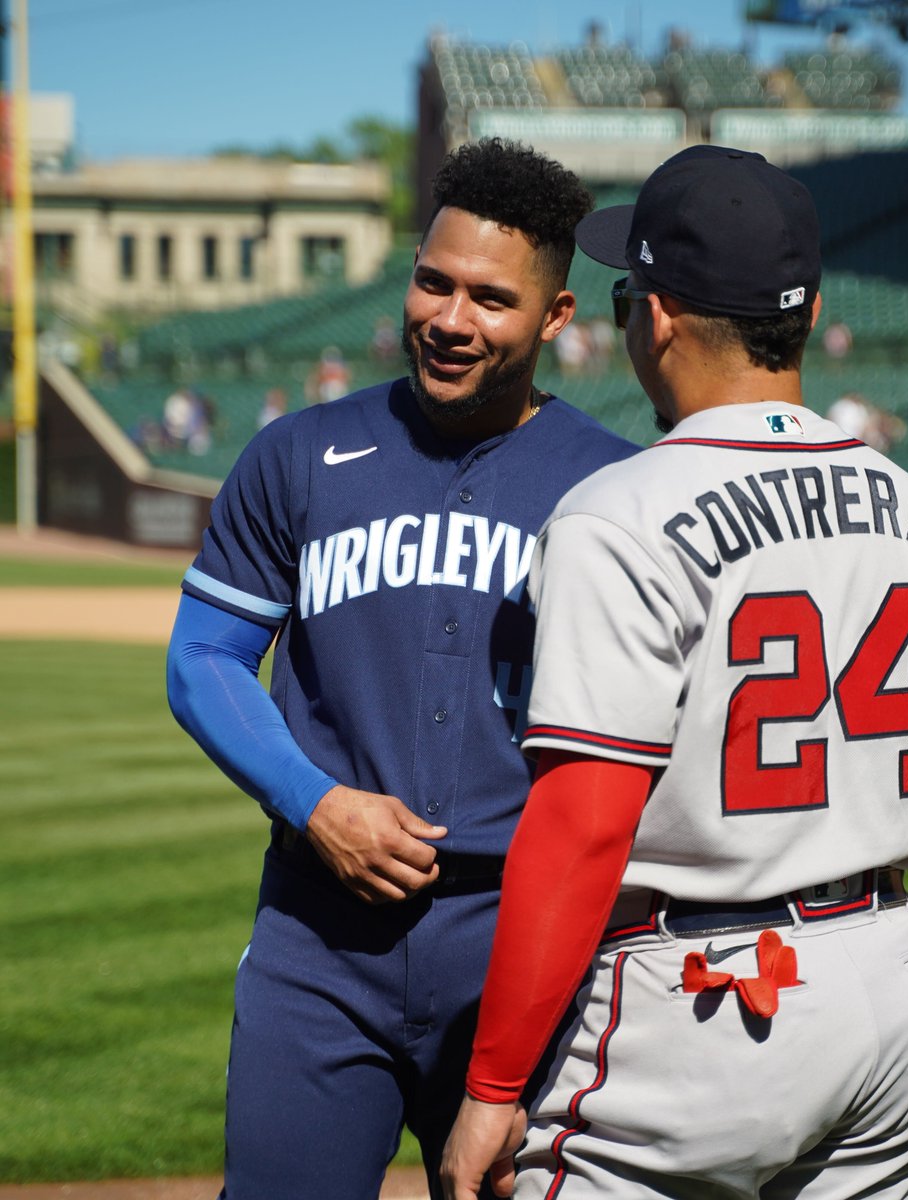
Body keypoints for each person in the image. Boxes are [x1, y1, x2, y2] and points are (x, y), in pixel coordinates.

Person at [442, 145, 908, 1200]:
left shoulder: (621, 515)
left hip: (697, 1005)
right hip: (891, 984)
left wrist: (490, 1090)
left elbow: (584, 826)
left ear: (655, 315)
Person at [165, 138, 639, 1200]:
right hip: (317, 936)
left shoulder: (616, 488)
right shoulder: (297, 454)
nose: (450, 320)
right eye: (433, 282)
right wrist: (316, 802)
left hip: (526, 938)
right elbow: (203, 658)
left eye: (490, 299)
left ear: (556, 320)